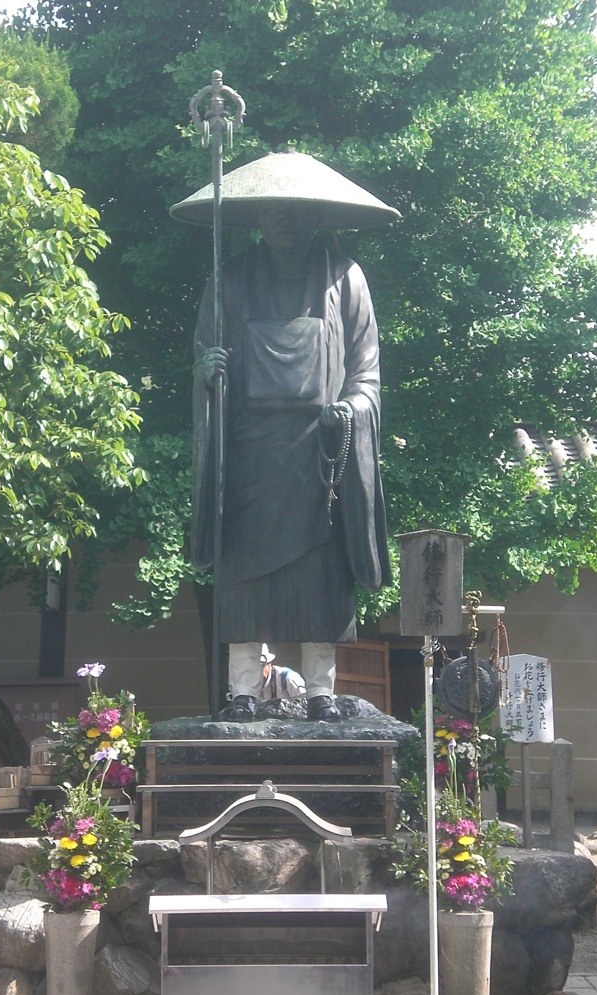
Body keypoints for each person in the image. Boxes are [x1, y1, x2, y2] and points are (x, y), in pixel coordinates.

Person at [179, 151, 397, 723]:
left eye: (297, 213)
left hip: (318, 459)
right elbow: (204, 355)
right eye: (274, 213)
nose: (286, 223)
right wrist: (209, 375)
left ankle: (322, 689)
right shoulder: (228, 280)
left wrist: (351, 409)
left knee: (320, 579)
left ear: (316, 218)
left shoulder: (345, 280)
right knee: (245, 577)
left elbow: (367, 372)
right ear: (255, 219)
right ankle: (245, 688)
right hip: (250, 458)